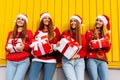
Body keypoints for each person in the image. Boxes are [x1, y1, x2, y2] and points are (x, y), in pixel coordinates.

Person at [28, 12, 60, 80]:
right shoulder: (38, 32)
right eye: (45, 18)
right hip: (37, 58)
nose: (47, 19)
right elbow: (34, 44)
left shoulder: (55, 30)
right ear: (42, 20)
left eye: (49, 18)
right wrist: (32, 52)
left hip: (50, 58)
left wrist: (53, 47)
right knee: (31, 78)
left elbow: (59, 44)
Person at [5, 14, 33, 80]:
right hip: (11, 60)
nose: (20, 21)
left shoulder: (28, 32)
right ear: (16, 20)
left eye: (22, 19)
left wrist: (24, 46)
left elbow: (32, 46)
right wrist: (7, 48)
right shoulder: (10, 33)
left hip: (23, 60)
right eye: (18, 19)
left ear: (25, 22)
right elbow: (6, 46)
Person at [85, 15, 111, 80]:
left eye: (100, 21)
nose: (98, 22)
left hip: (102, 60)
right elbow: (86, 46)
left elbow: (107, 49)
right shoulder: (89, 33)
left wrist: (108, 44)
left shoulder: (106, 35)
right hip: (91, 59)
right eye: (97, 20)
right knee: (94, 78)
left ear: (103, 24)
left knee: (105, 78)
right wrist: (101, 43)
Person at [61, 15, 86, 80]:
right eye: (71, 21)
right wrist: (59, 44)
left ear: (78, 23)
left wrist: (77, 56)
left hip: (79, 61)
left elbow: (84, 51)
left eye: (75, 21)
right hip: (67, 60)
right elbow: (61, 46)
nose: (72, 23)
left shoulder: (82, 37)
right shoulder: (65, 33)